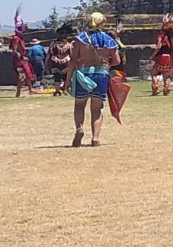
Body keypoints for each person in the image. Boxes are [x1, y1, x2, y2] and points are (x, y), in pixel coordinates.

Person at [64, 12, 120, 147]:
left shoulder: (80, 39)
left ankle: (79, 128)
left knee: (79, 105)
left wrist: (68, 81)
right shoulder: (108, 39)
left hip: (82, 74)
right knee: (97, 109)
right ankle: (95, 139)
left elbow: (72, 61)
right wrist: (107, 64)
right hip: (101, 74)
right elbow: (117, 60)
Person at [9, 7, 37, 97]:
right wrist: (21, 57)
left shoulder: (20, 38)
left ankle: (30, 89)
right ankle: (18, 92)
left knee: (28, 75)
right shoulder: (16, 39)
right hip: (19, 61)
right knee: (22, 76)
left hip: (22, 60)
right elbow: (14, 51)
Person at [149, 14, 173, 96]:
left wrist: (152, 56)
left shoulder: (161, 37)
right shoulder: (170, 38)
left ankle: (155, 87)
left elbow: (158, 47)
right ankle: (166, 88)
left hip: (162, 56)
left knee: (153, 73)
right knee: (165, 74)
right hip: (169, 57)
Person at [46, 24, 75, 96]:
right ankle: (63, 90)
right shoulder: (68, 45)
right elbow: (72, 55)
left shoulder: (53, 44)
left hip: (56, 62)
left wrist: (47, 63)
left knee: (58, 77)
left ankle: (58, 91)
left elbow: (49, 54)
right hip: (65, 62)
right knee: (63, 77)